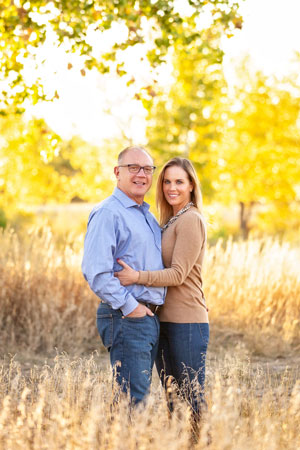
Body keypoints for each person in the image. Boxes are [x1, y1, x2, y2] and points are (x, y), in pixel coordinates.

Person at [115, 157, 209, 427]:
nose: (172, 187)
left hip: (187, 322)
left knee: (191, 397)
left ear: (191, 185)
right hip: (163, 319)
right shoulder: (169, 221)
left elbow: (179, 274)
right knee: (172, 397)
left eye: (179, 181)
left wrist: (137, 277)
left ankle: (201, 445)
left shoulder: (191, 219)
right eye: (167, 181)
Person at [82, 146, 165, 405]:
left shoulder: (148, 217)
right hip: (126, 317)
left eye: (148, 169)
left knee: (136, 398)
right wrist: (132, 308)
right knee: (133, 401)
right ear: (118, 172)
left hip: (147, 317)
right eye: (133, 168)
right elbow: (96, 272)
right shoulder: (109, 212)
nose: (141, 174)